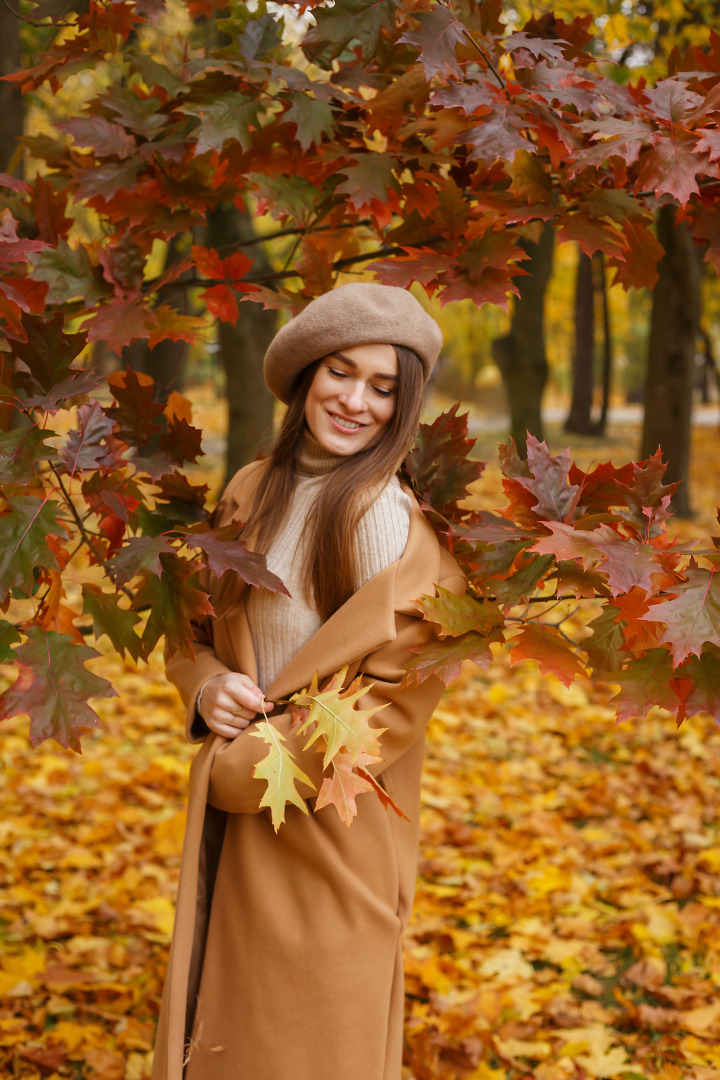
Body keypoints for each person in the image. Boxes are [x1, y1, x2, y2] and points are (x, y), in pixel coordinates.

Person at [151, 283, 465, 1080]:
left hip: (332, 836)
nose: (356, 401)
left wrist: (236, 769)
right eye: (340, 372)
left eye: (383, 388)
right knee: (223, 1041)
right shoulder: (252, 490)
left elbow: (392, 703)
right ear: (303, 378)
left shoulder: (383, 520)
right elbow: (192, 625)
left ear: (403, 407)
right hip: (241, 825)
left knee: (308, 1048)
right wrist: (206, 685)